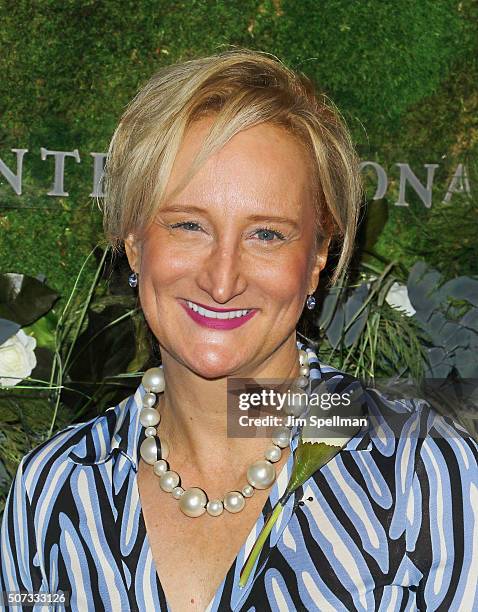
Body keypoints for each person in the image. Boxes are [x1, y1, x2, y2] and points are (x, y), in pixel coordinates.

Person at [1, 48, 477, 612]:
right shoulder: (53, 488)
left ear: (319, 256)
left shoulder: (420, 472)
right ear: (133, 240)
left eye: (267, 235)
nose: (222, 279)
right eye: (187, 225)